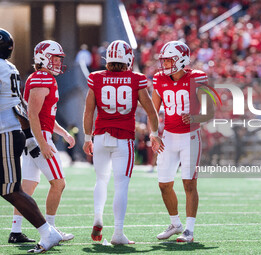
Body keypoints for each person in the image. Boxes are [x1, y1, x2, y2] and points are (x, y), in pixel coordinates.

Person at [83, 40, 164, 245]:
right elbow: (151, 111)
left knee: (101, 180)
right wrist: (154, 134)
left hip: (101, 136)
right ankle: (117, 233)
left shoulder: (96, 78)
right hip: (124, 140)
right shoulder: (136, 79)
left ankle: (98, 218)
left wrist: (86, 137)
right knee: (121, 185)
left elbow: (89, 111)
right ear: (128, 59)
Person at [0, 28, 62, 253]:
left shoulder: (9, 69)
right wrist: (32, 140)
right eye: (54, 58)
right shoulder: (12, 68)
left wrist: (34, 140)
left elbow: (27, 111)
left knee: (12, 189)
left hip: (8, 132)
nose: (57, 62)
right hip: (17, 132)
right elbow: (24, 110)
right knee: (17, 187)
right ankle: (38, 230)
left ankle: (48, 231)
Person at [10, 40, 76, 241]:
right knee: (58, 183)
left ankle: (15, 231)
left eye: (58, 59)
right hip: (39, 137)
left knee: (28, 186)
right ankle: (51, 229)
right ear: (42, 58)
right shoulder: (42, 79)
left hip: (36, 136)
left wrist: (64, 133)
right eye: (54, 58)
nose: (57, 62)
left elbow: (46, 116)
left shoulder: (42, 77)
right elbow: (33, 114)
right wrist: (42, 142)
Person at [152, 41, 214, 242]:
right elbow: (153, 112)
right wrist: (154, 134)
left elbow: (210, 112)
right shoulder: (159, 79)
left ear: (182, 60)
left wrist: (195, 118)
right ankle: (175, 223)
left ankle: (189, 230)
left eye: (170, 59)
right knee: (164, 184)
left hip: (190, 136)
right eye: (165, 60)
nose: (166, 64)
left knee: (189, 184)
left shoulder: (197, 78)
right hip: (168, 136)